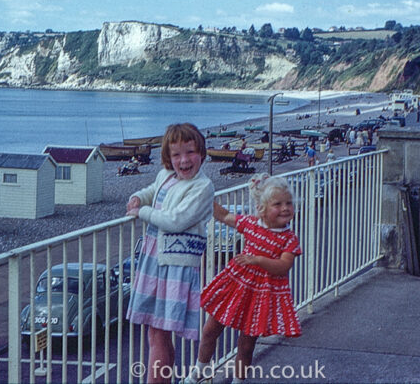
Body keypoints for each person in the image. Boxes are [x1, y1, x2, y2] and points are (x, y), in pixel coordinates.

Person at [184, 174, 301, 384]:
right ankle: (198, 373)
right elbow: (225, 216)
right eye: (278, 204)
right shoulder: (251, 224)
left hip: (261, 295)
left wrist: (257, 260)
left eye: (288, 203)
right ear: (262, 208)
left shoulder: (289, 239)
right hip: (235, 287)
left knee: (246, 345)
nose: (285, 208)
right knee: (211, 330)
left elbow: (283, 266)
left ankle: (238, 381)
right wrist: (202, 197)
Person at [125, 123, 214, 384]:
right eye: (177, 155)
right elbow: (153, 191)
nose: (184, 160)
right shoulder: (166, 174)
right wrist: (138, 199)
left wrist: (141, 213)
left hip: (176, 265)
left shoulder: (202, 187)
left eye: (190, 152)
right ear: (169, 158)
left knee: (160, 331)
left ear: (201, 154)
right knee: (156, 333)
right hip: (154, 259)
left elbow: (176, 220)